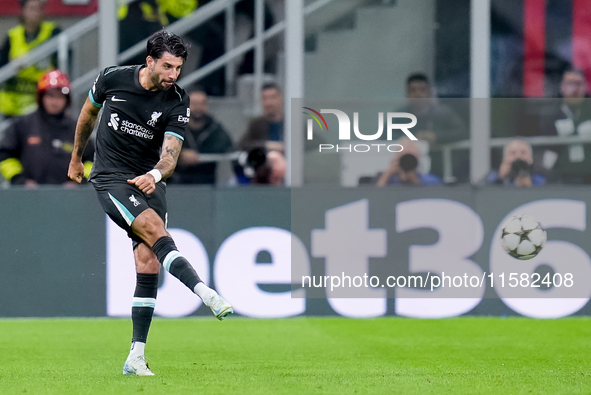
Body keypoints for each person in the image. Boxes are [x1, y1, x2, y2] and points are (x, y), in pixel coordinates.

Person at [67, 31, 232, 377]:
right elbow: (87, 116)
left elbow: (170, 156)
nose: (174, 75)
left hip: (149, 179)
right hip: (112, 177)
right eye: (168, 66)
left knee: (148, 264)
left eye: (179, 68)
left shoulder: (177, 101)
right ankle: (205, 292)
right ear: (150, 61)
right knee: (157, 231)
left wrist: (155, 176)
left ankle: (135, 357)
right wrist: (76, 158)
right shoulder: (112, 79)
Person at [0, 69, 92, 186]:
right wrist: (19, 180)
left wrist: (79, 180)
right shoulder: (23, 125)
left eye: (60, 97)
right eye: (50, 96)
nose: (54, 102)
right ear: (41, 97)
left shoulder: (78, 130)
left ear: (67, 100)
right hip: (28, 198)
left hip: (69, 199)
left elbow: (93, 160)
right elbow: (4, 155)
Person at [0, 0, 62, 117]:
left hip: (41, 102)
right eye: (31, 9)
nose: (35, 13)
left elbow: (63, 63)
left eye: (38, 9)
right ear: (23, 11)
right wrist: (12, 65)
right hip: (14, 104)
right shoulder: (12, 35)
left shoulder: (53, 32)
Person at [537, 67, 591, 183]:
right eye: (570, 83)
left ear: (585, 86)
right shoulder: (550, 115)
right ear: (562, 86)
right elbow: (549, 151)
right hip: (562, 177)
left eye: (579, 84)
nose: (575, 89)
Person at [173, 89, 233, 184]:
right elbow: (159, 145)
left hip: (207, 181)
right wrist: (181, 154)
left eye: (202, 104)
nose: (198, 108)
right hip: (177, 181)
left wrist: (200, 155)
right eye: (194, 104)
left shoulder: (214, 127)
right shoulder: (175, 126)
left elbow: (227, 145)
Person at [238, 82, 284, 153]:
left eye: (273, 97)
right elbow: (243, 144)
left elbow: (306, 144)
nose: (268, 103)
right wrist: (267, 145)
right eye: (264, 98)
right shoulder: (257, 124)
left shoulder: (294, 122)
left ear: (281, 98)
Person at [376, 137, 442, 186]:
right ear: (397, 157)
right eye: (404, 156)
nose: (408, 161)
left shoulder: (431, 181)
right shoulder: (387, 179)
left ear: (418, 158)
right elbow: (375, 195)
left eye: (411, 157)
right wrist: (387, 174)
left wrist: (414, 180)